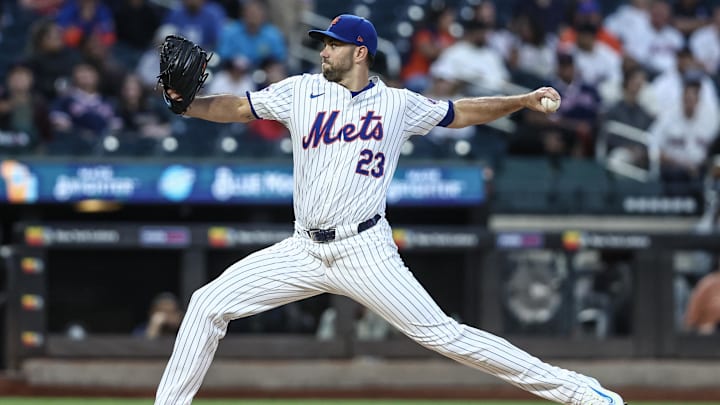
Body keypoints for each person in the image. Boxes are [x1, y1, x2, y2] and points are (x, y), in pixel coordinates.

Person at [155, 14, 626, 405]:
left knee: (446, 336)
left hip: (365, 250)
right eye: (323, 44)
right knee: (206, 305)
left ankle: (579, 392)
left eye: (333, 45)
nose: (323, 51)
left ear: (360, 52)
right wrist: (186, 106)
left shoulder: (398, 105)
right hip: (303, 248)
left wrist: (521, 100)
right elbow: (237, 108)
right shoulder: (299, 91)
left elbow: (460, 113)